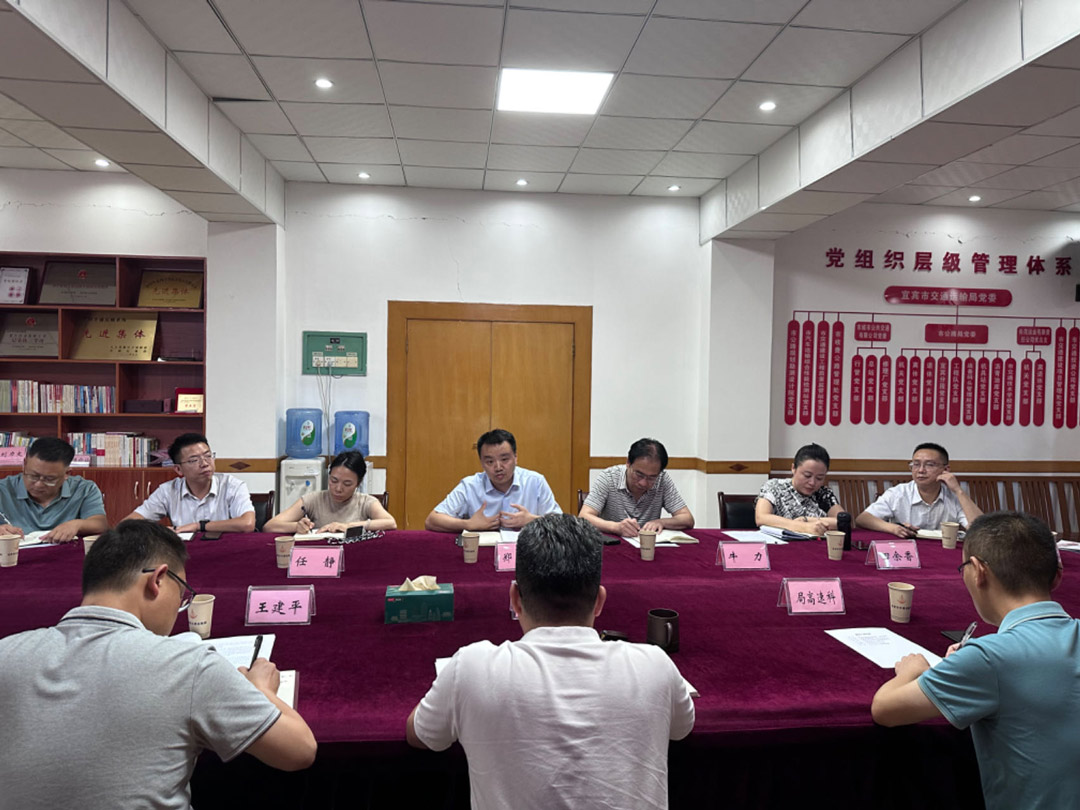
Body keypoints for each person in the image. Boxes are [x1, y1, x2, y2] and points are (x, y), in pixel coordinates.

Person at [0, 520, 317, 809]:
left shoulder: (7, 652)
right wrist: (262, 690)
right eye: (182, 595)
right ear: (158, 580)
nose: (179, 607)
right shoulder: (188, 665)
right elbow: (300, 751)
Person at [406, 514, 695, 809]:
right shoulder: (655, 666)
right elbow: (682, 729)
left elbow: (420, 733)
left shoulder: (471, 668)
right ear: (599, 602)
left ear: (515, 600)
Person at [870, 512, 1077, 810]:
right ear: (1057, 575)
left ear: (978, 571)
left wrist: (911, 671)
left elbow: (885, 709)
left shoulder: (988, 657)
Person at [424, 428, 561, 532]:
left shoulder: (535, 482)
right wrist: (468, 524)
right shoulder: (470, 486)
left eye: (505, 459)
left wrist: (533, 520)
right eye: (490, 461)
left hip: (527, 555)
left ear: (515, 458)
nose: (498, 467)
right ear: (482, 463)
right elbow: (432, 520)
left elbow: (561, 525)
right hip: (482, 554)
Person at [124, 433, 255, 533]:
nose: (205, 463)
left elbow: (247, 524)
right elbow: (127, 525)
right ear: (178, 469)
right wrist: (163, 532)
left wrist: (198, 526)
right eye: (194, 460)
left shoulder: (232, 485)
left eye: (208, 456)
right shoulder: (168, 491)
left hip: (226, 551)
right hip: (184, 553)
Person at [856, 442, 983, 538]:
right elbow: (863, 519)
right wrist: (894, 528)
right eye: (916, 464)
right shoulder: (898, 493)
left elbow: (981, 530)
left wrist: (959, 491)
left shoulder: (954, 496)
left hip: (944, 551)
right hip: (909, 551)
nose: (921, 470)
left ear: (945, 469)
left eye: (929, 465)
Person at [579, 437, 694, 537]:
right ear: (628, 463)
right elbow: (584, 516)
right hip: (614, 545)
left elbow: (687, 518)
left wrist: (661, 522)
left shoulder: (662, 479)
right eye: (639, 474)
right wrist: (616, 527)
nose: (643, 483)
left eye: (651, 477)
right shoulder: (609, 477)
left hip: (648, 546)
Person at [0, 436, 107, 542]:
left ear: (67, 473)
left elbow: (101, 524)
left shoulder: (84, 489)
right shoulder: (3, 489)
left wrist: (77, 524)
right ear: (24, 465)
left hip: (65, 551)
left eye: (49, 479)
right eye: (33, 476)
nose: (38, 484)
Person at [264, 450, 396, 534]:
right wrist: (296, 527)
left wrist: (348, 526)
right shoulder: (313, 500)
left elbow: (390, 523)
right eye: (334, 480)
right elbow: (270, 526)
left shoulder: (366, 502)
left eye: (347, 484)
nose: (338, 488)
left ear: (358, 483)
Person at [755, 443, 845, 536]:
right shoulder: (774, 487)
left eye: (819, 478)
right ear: (793, 468)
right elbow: (761, 517)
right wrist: (804, 527)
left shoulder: (823, 493)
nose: (812, 483)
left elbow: (843, 521)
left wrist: (807, 520)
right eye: (807, 475)